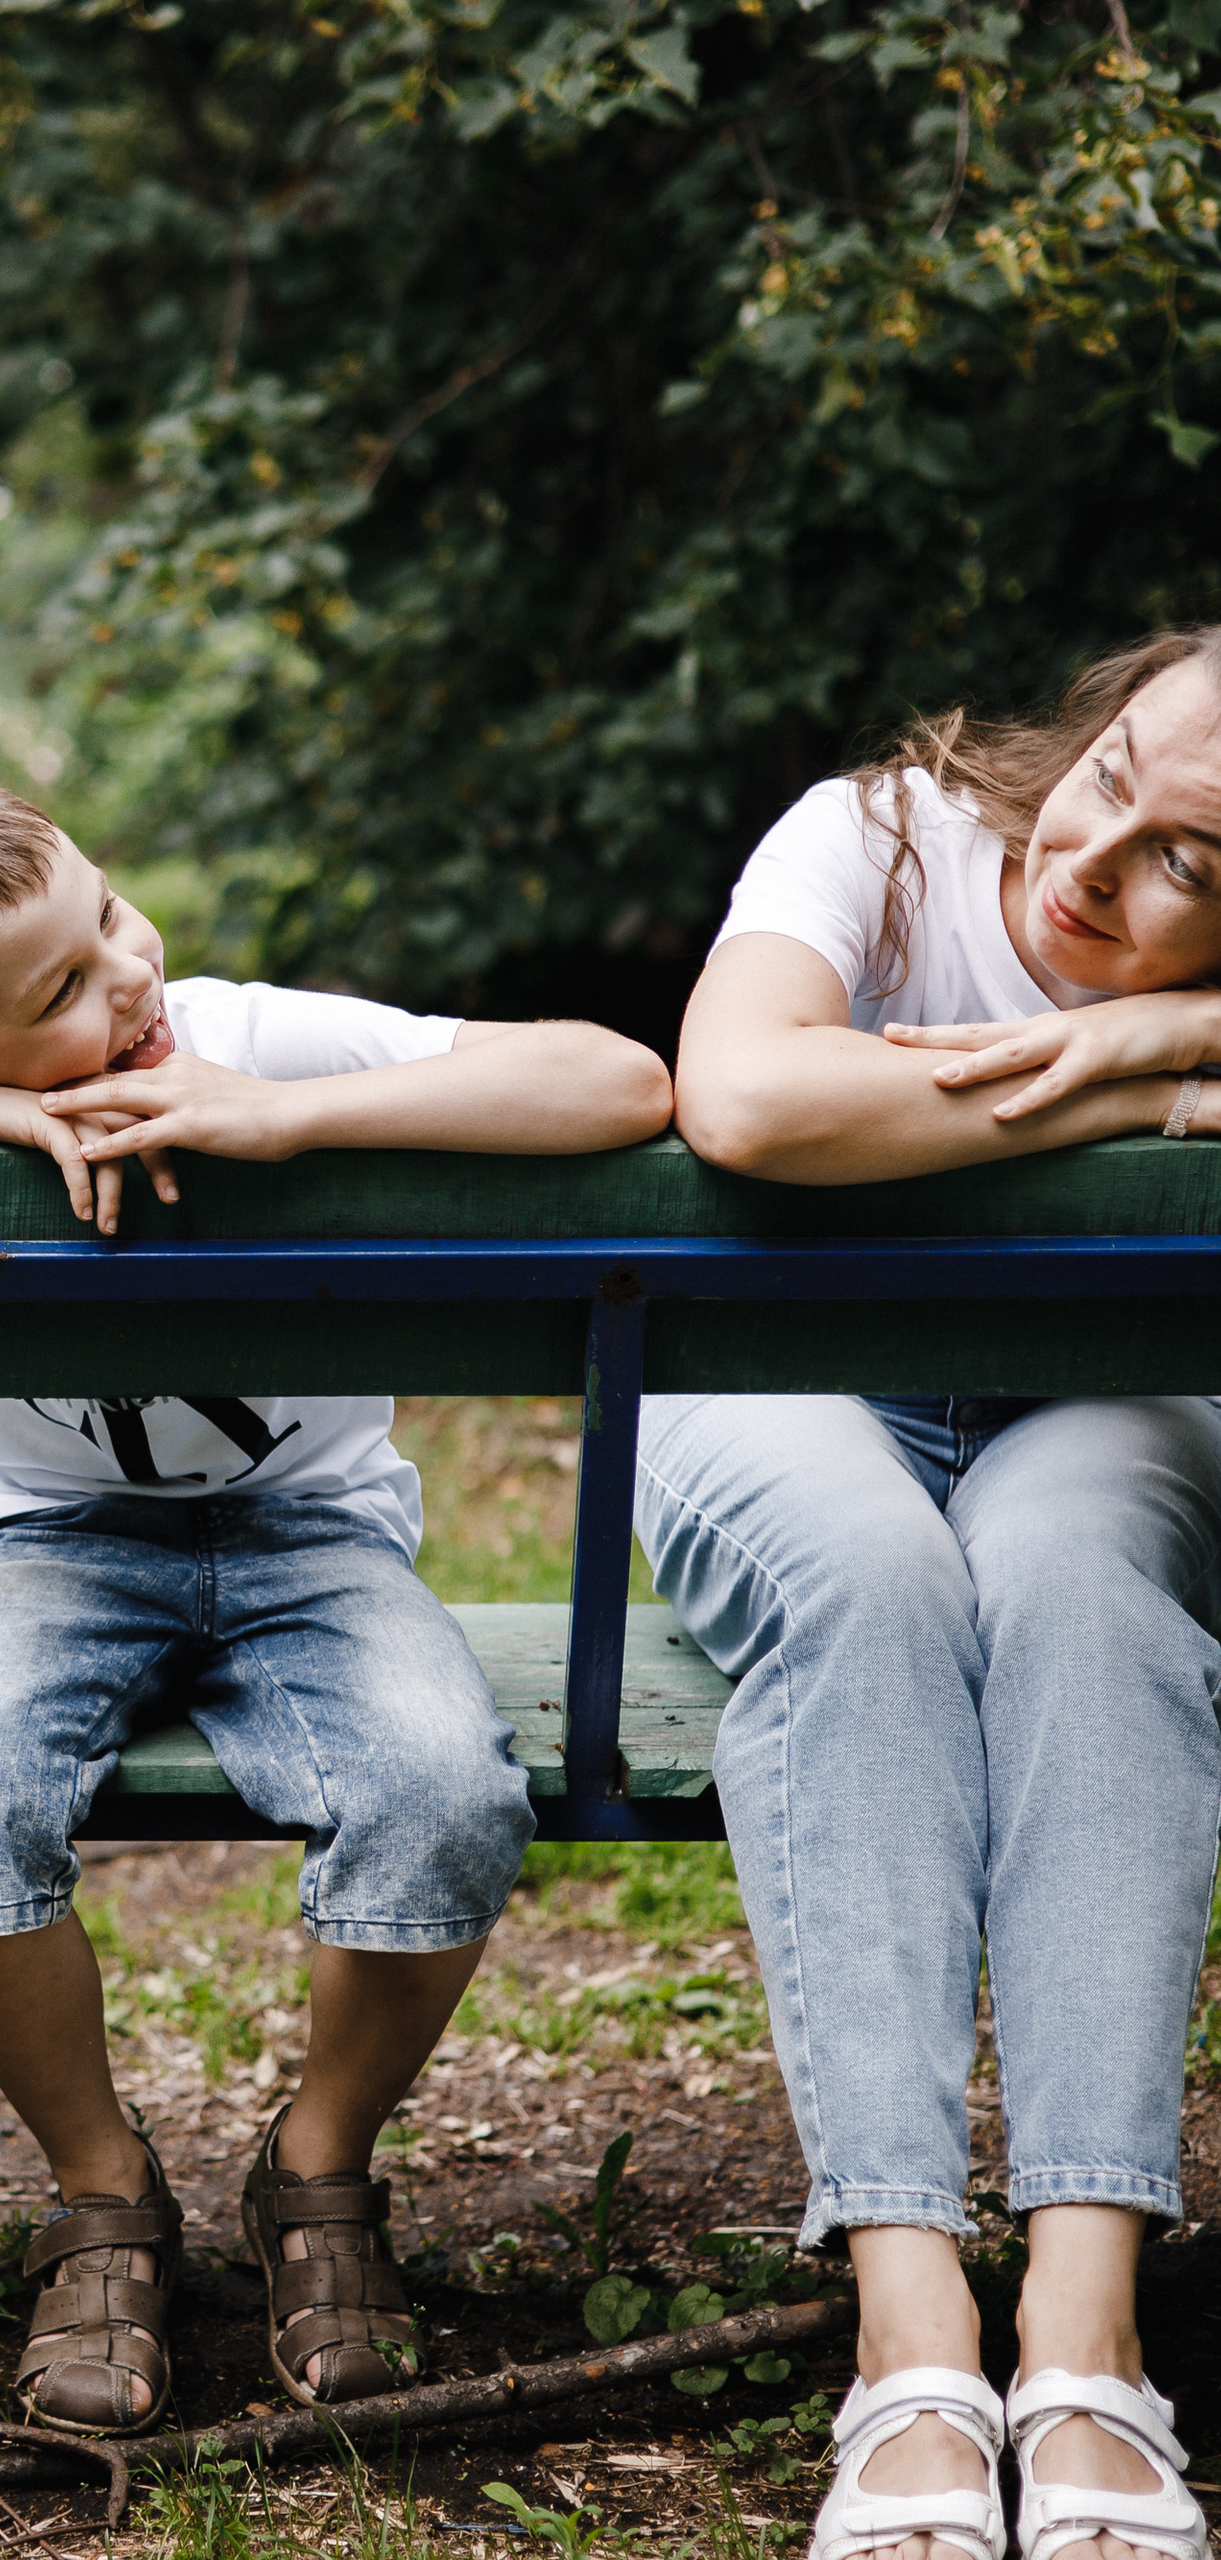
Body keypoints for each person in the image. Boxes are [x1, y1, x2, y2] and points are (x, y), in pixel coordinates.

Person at [0, 769, 674, 2433]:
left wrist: (292, 1116)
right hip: (51, 1546)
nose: (131, 979)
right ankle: (105, 2193)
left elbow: (617, 1079)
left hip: (320, 1539)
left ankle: (316, 2172)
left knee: (444, 1789)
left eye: (109, 915)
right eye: (64, 994)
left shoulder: (248, 1035)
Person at [644, 630, 1221, 2560]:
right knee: (872, 1582)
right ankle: (909, 2336)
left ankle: (1088, 2346)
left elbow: (839, 1116)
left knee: (1080, 1584)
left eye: (1191, 874)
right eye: (1115, 774)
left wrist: (1161, 1027)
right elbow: (740, 1103)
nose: (1093, 859)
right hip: (779, 1385)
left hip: (1099, 1401)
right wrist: (1135, 1076)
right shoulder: (877, 840)